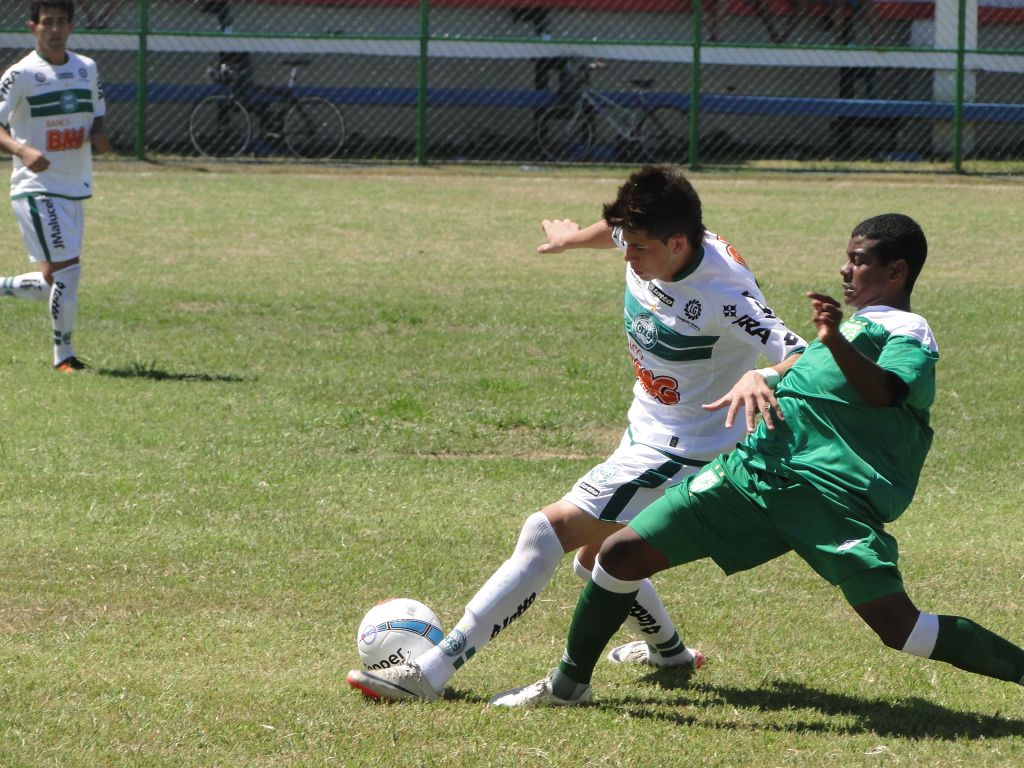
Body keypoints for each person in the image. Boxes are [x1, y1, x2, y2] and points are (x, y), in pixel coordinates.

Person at [489, 213, 1024, 707]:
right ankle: (568, 684)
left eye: (859, 259)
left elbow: (883, 390)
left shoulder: (906, 331)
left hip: (828, 501)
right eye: (848, 256)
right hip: (753, 476)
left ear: (897, 270)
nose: (845, 267)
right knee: (619, 555)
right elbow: (805, 371)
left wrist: (832, 338)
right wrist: (761, 374)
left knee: (900, 629)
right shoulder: (847, 332)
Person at [347, 165, 808, 702]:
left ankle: (431, 672)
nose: (626, 255)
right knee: (599, 558)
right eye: (624, 242)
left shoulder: (725, 294)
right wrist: (572, 239)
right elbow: (612, 231)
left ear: (678, 243)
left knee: (546, 532)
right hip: (648, 428)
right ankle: (671, 653)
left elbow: (804, 354)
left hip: (686, 448)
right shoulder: (655, 237)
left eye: (637, 248)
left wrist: (764, 372)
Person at [0, 0, 109, 372]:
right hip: (36, 186)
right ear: (33, 27)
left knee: (53, 280)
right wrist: (21, 149)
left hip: (74, 185)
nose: (55, 29)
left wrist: (99, 135)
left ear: (71, 26)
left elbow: (96, 113)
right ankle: (64, 356)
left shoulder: (86, 68)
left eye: (62, 22)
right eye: (48, 23)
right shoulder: (21, 74)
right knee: (68, 272)